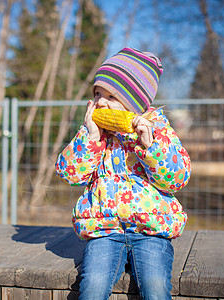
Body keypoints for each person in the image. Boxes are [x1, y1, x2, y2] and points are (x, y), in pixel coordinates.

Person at [55, 47, 191, 300]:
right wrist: (91, 137)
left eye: (111, 96)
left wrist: (150, 146)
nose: (101, 102)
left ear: (135, 103)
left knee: (155, 286)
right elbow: (69, 173)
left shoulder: (158, 130)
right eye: (97, 94)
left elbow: (177, 178)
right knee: (93, 286)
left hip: (151, 231)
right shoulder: (93, 134)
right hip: (105, 233)